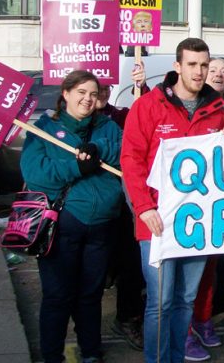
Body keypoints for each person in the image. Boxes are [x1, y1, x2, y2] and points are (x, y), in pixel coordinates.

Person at [120, 37, 224, 363]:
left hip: (197, 223)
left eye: (204, 65)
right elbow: (131, 160)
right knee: (160, 302)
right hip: (157, 223)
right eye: (193, 65)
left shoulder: (218, 111)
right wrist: (143, 208)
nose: (199, 72)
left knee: (185, 300)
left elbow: (221, 170)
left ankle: (176, 358)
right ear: (177, 67)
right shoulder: (148, 106)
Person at [21, 70, 124, 363]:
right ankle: (52, 355)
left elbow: (124, 151)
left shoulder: (107, 127)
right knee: (58, 296)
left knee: (90, 295)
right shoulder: (44, 129)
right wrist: (77, 167)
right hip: (62, 225)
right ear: (65, 94)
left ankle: (90, 351)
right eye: (81, 92)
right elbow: (36, 174)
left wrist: (99, 151)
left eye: (93, 94)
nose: (87, 99)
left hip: (102, 226)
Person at [184, 56, 224, 362]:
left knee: (208, 272)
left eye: (223, 71)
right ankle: (186, 331)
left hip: (216, 205)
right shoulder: (192, 106)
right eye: (212, 69)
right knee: (185, 278)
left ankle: (203, 320)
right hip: (186, 205)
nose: (216, 74)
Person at [95, 65, 148, 351]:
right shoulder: (72, 122)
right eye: (94, 88)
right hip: (92, 213)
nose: (99, 94)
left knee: (131, 268)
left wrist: (143, 87)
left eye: (105, 88)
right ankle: (86, 335)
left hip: (124, 207)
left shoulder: (120, 115)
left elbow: (145, 119)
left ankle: (128, 318)